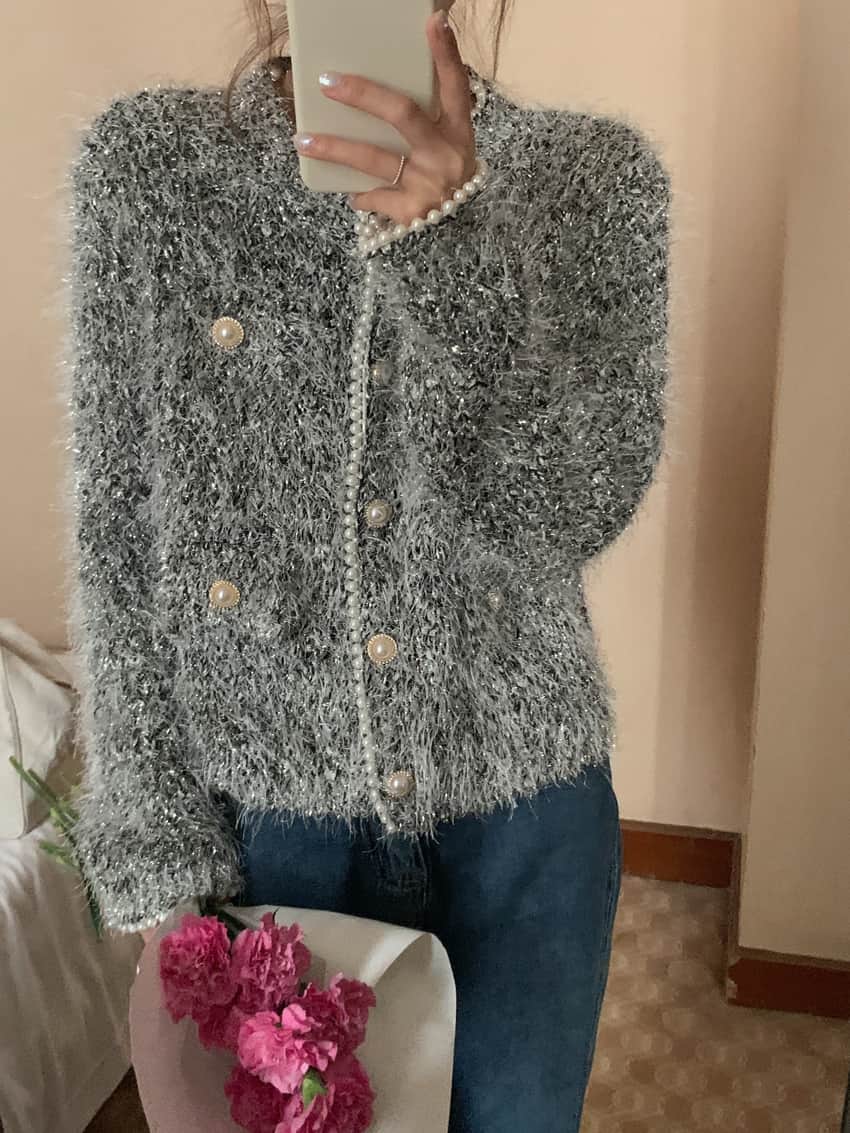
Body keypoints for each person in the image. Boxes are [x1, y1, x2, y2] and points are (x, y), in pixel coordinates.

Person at [62, 1, 671, 1128]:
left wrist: (450, 247)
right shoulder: (152, 167)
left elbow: (565, 516)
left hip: (526, 818)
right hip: (263, 820)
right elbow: (120, 526)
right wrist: (151, 827)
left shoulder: (595, 179)